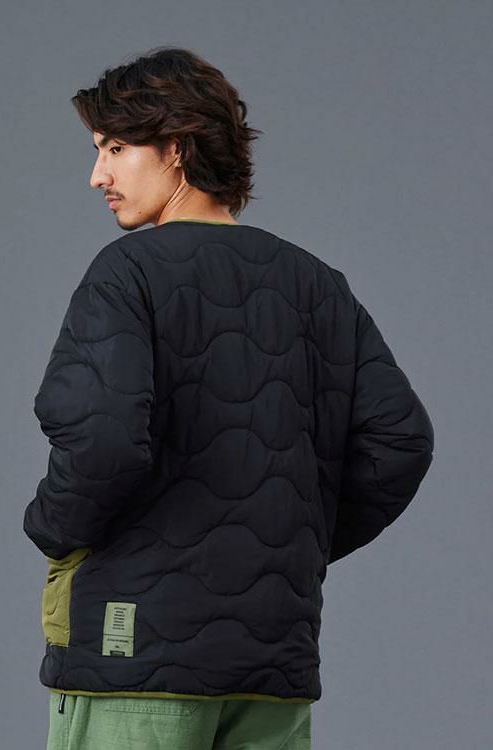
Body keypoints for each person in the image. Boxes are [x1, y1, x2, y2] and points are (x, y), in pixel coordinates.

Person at [23, 46, 435, 750]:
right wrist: (281, 543)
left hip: (137, 659)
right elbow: (401, 443)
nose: (98, 175)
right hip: (272, 661)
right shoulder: (316, 284)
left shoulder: (128, 274)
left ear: (177, 147)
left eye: (116, 148)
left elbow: (102, 437)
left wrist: (52, 529)